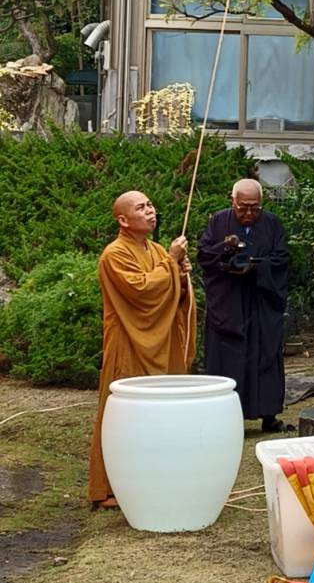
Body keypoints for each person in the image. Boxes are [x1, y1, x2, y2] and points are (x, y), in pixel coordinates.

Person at [89, 191, 195, 507]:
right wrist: (171, 263)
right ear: (123, 220)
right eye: (141, 207)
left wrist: (181, 277)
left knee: (160, 413)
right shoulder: (113, 255)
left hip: (160, 341)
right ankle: (109, 489)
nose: (150, 210)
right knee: (123, 414)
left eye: (150, 205)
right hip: (127, 343)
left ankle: (155, 478)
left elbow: (170, 296)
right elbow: (141, 292)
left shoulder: (156, 249)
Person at [197, 179, 291, 432]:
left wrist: (257, 267)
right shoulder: (219, 221)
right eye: (243, 207)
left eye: (254, 208)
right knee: (227, 357)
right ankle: (225, 416)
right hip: (228, 302)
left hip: (261, 301)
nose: (249, 213)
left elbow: (281, 258)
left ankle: (268, 415)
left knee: (266, 354)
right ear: (233, 201)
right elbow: (204, 255)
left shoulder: (271, 223)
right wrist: (225, 248)